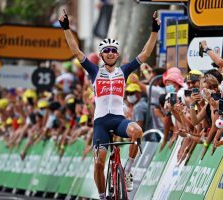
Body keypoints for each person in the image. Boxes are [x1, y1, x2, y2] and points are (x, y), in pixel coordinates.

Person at [59, 11, 161, 199]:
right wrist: (66, 28)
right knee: (99, 163)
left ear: (117, 54)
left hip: (118, 119)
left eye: (114, 50)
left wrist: (154, 30)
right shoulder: (94, 71)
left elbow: (145, 53)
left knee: (137, 131)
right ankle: (102, 196)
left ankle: (128, 171)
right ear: (101, 55)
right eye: (107, 50)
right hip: (100, 123)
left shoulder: (124, 71)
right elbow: (76, 51)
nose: (111, 53)